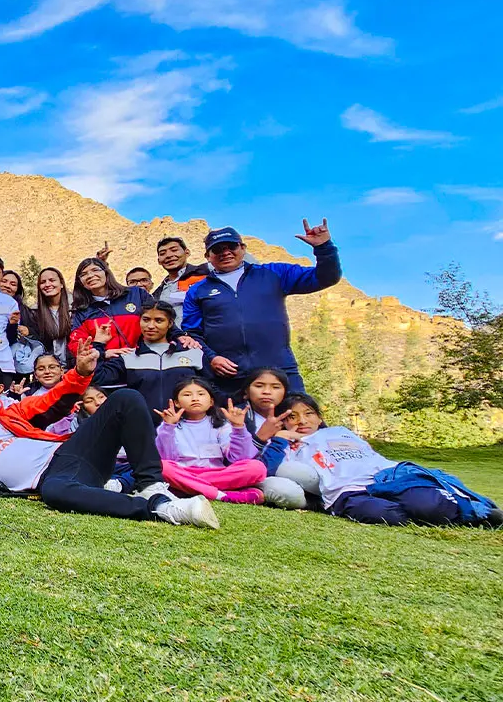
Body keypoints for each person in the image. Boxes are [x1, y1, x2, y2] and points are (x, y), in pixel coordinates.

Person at [0, 350, 221, 528]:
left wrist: (79, 374)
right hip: (52, 481)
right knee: (55, 493)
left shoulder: (11, 414)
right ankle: (158, 508)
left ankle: (152, 486)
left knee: (127, 398)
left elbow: (53, 398)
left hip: (70, 453)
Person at [262, 394, 499, 526]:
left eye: (308, 414)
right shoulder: (284, 444)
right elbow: (267, 470)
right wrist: (281, 437)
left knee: (429, 506)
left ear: (319, 417)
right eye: (292, 417)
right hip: (346, 492)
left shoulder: (339, 431)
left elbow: (370, 455)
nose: (301, 421)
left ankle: (481, 512)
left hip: (387, 477)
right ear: (282, 421)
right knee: (388, 516)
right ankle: (433, 513)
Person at [184, 223, 341, 395]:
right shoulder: (198, 290)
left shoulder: (274, 273)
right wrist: (212, 358)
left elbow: (326, 278)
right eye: (218, 249)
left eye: (232, 246)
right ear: (208, 256)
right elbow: (192, 333)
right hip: (229, 377)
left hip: (279, 371)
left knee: (297, 418)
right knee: (235, 422)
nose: (225, 252)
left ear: (243, 248)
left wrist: (323, 248)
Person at [154, 378, 284, 507]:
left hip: (216, 473)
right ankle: (220, 495)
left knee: (257, 468)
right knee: (163, 467)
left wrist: (238, 427)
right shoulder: (169, 426)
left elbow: (239, 459)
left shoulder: (221, 425)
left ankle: (187, 489)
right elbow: (167, 458)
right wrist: (168, 427)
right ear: (176, 403)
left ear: (211, 401)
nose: (195, 398)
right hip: (183, 471)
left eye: (201, 394)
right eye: (187, 395)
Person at [89, 302, 210, 413]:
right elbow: (98, 378)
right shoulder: (128, 357)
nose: (151, 326)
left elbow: (211, 387)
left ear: (170, 323)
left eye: (159, 320)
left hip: (186, 428)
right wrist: (99, 345)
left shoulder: (192, 352)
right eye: (146, 320)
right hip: (142, 428)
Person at [152, 237, 208, 325]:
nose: (168, 255)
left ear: (187, 252)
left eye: (174, 250)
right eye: (163, 253)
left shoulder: (206, 273)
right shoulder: (157, 293)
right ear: (159, 260)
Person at [31, 267, 73, 364]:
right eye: (43, 282)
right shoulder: (34, 312)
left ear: (61, 284)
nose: (47, 284)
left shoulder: (75, 309)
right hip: (48, 369)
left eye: (52, 280)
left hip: (73, 367)